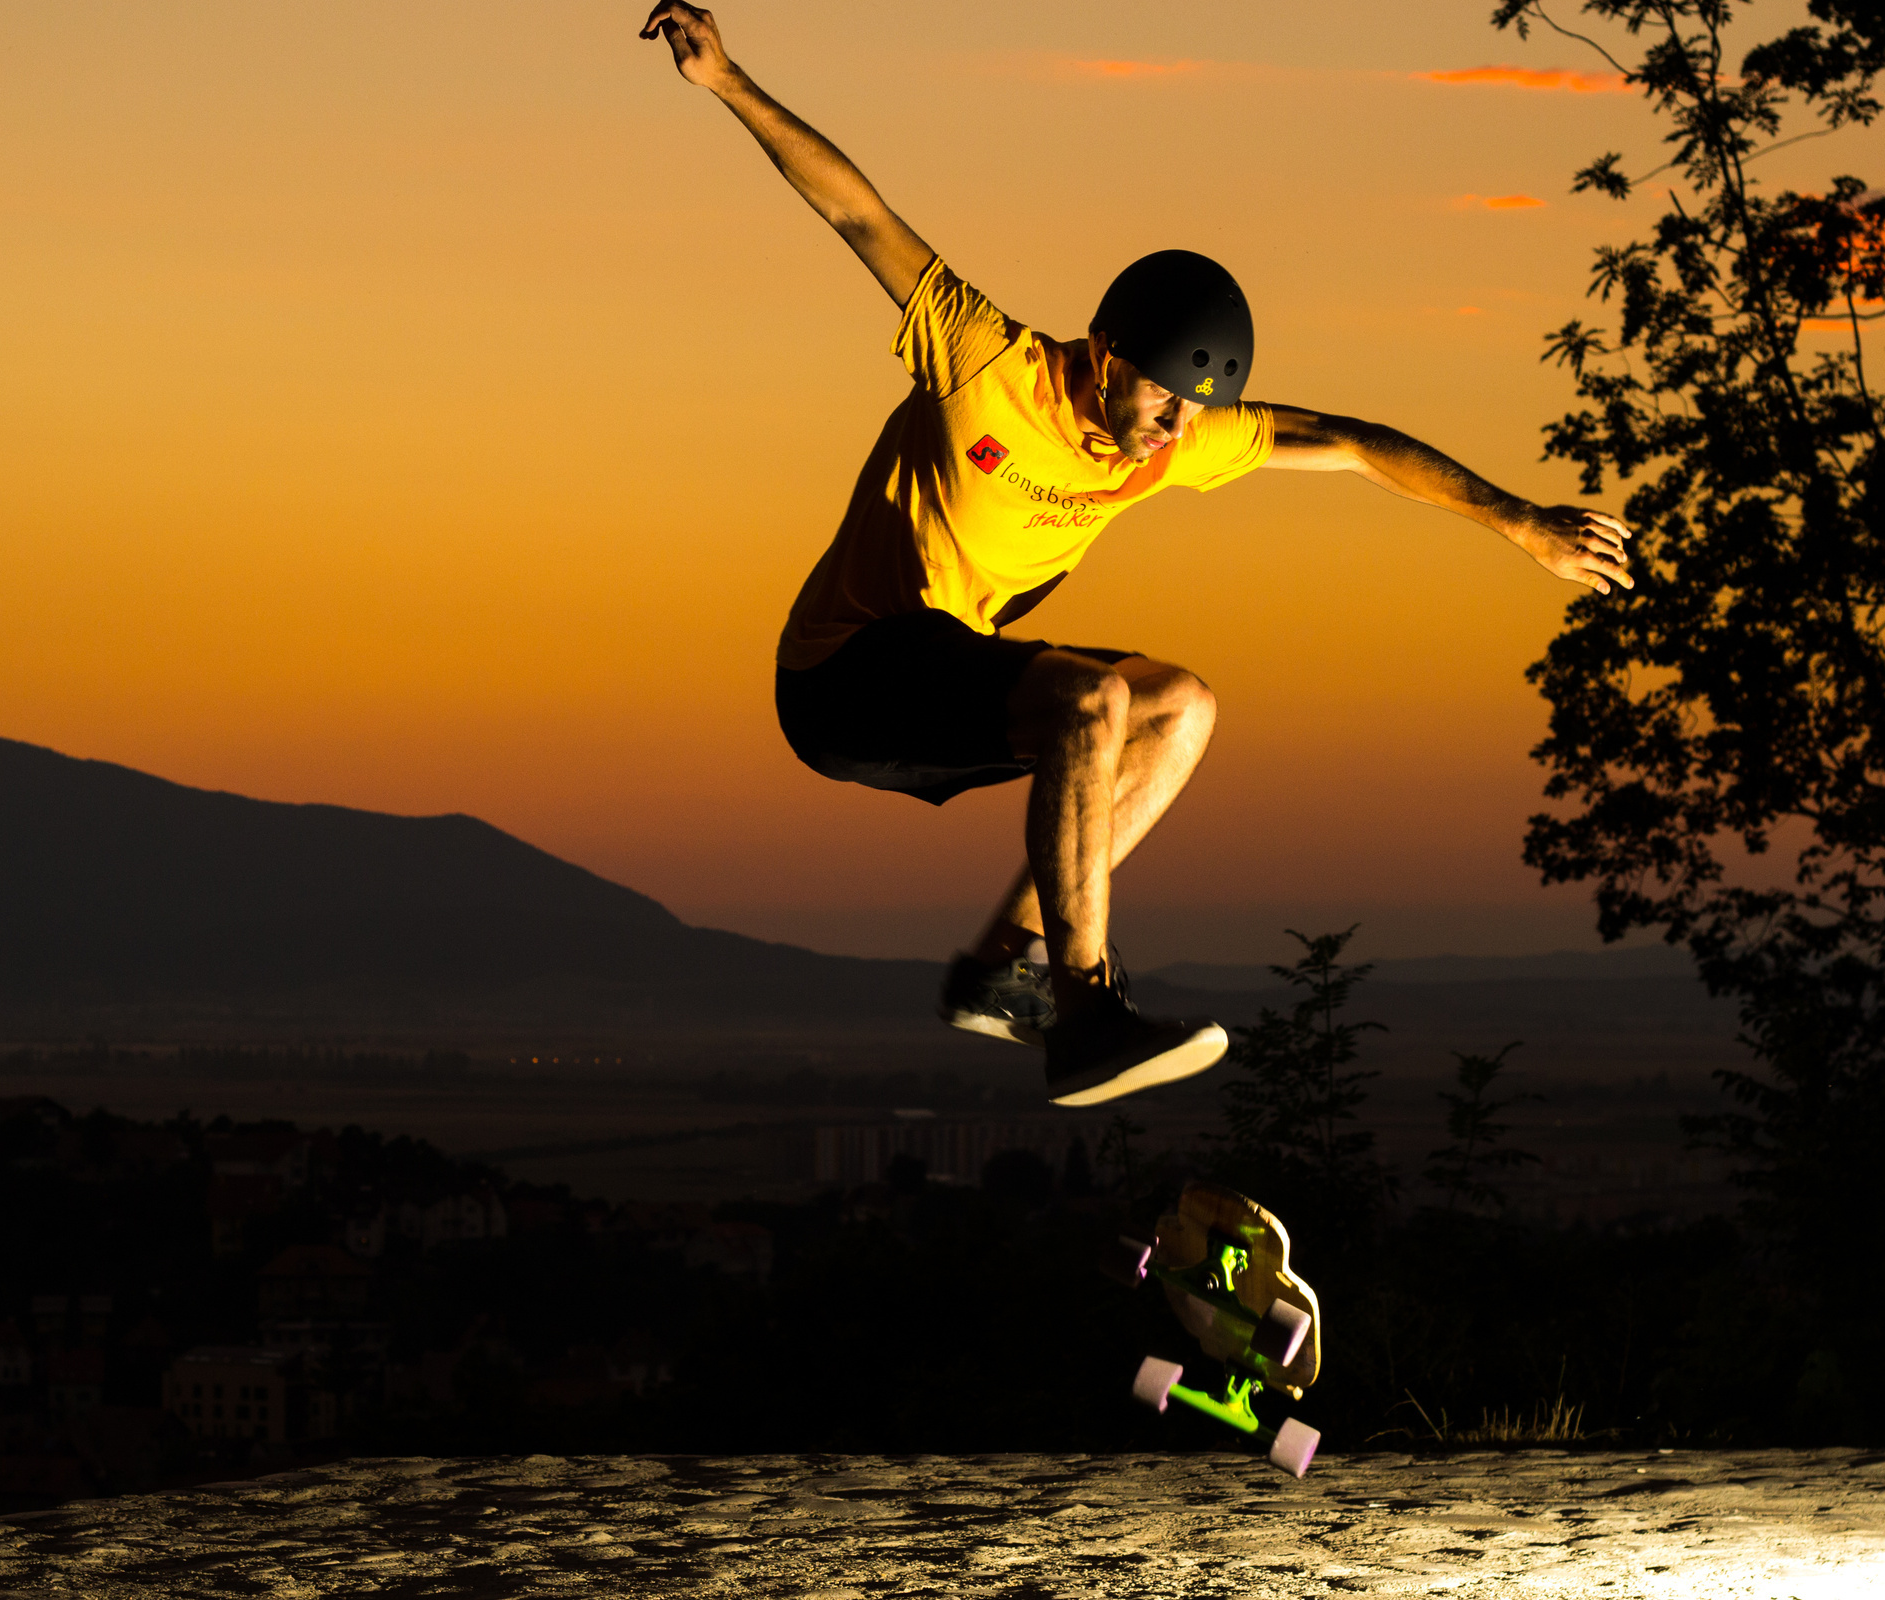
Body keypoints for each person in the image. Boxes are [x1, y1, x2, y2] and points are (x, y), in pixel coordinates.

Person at [639, 5, 1635, 1106]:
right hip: (843, 675)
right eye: (1160, 399)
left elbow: (1352, 444)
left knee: (1178, 705)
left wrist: (1518, 520)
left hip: (944, 678)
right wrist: (726, 82)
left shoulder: (1178, 436)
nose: (1169, 434)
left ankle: (1001, 969)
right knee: (1087, 704)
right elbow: (857, 212)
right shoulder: (981, 356)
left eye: (1191, 414)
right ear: (1104, 353)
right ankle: (1085, 1012)